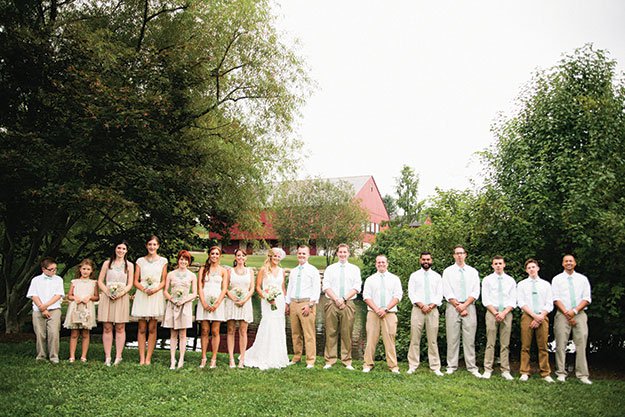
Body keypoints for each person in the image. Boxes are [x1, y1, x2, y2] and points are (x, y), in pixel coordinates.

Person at [245, 247, 290, 369]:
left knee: (278, 325)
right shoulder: (263, 270)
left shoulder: (282, 271)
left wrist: (286, 303)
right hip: (267, 301)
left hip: (279, 301)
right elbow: (258, 287)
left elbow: (283, 288)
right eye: (274, 256)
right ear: (270, 256)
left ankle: (278, 356)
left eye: (278, 256)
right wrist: (266, 296)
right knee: (268, 324)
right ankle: (264, 355)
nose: (276, 258)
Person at [442, 245, 482, 378]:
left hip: (469, 306)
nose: (459, 255)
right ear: (453, 256)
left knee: (469, 338)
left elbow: (476, 291)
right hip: (452, 306)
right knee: (452, 337)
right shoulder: (448, 271)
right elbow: (447, 290)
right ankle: (451, 366)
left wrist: (464, 306)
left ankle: (471, 366)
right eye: (457, 253)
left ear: (466, 255)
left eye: (461, 253)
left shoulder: (472, 272)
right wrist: (458, 305)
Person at [552, 254, 592, 384]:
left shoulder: (582, 279)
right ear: (563, 264)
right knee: (560, 344)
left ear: (575, 263)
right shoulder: (557, 279)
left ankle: (582, 375)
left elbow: (586, 298)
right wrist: (566, 313)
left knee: (581, 344)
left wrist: (574, 311)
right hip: (562, 314)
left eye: (571, 261)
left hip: (579, 314)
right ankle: (561, 373)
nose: (568, 263)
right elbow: (555, 298)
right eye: (566, 261)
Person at [322, 243, 362, 370]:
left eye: (345, 252)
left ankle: (347, 360)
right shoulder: (330, 269)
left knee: (347, 332)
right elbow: (326, 286)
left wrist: (344, 299)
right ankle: (330, 360)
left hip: (348, 303)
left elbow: (357, 287)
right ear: (337, 253)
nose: (343, 254)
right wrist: (336, 299)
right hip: (332, 302)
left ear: (348, 254)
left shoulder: (355, 269)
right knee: (331, 332)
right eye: (340, 252)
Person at [362, 254, 403, 374]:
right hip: (373, 313)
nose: (381, 264)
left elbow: (398, 296)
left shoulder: (394, 279)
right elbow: (366, 296)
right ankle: (368, 364)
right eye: (378, 262)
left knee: (390, 340)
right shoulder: (370, 279)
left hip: (389, 313)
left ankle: (393, 366)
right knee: (371, 339)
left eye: (383, 262)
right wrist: (377, 309)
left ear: (387, 264)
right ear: (375, 264)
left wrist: (385, 309)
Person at [131, 235, 168, 365]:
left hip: (156, 294)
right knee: (141, 327)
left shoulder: (163, 261)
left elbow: (164, 280)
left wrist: (156, 289)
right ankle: (141, 357)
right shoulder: (140, 261)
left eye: (154, 244)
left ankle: (148, 358)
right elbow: (135, 280)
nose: (152, 247)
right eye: (150, 244)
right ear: (146, 246)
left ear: (158, 246)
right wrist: (143, 289)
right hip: (143, 294)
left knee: (152, 327)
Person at [407, 252, 444, 376]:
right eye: (423, 259)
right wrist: (422, 305)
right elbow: (411, 293)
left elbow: (440, 294)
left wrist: (431, 305)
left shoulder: (437, 277)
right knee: (415, 338)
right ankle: (412, 365)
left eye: (428, 259)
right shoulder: (414, 276)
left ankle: (435, 366)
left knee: (432, 339)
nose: (426, 261)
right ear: (420, 260)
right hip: (418, 309)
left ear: (431, 260)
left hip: (432, 310)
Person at [97, 241, 134, 366]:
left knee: (120, 327)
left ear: (126, 251)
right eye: (119, 248)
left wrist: (121, 293)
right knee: (107, 327)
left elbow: (130, 283)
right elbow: (100, 281)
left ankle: (118, 356)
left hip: (121, 297)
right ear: (115, 249)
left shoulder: (129, 265)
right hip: (107, 296)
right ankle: (108, 356)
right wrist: (107, 292)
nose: (121, 250)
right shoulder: (107, 264)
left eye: (123, 248)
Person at [517, 258, 554, 382]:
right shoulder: (522, 284)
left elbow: (549, 303)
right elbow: (521, 302)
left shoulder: (545, 284)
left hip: (542, 315)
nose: (531, 269)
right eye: (529, 268)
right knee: (525, 346)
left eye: (533, 267)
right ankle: (524, 372)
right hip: (528, 315)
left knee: (543, 346)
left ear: (538, 268)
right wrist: (533, 316)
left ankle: (545, 373)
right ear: (526, 270)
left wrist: (540, 317)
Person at [481, 256, 516, 380]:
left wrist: (504, 313)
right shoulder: (487, 280)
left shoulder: (510, 280)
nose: (498, 265)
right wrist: (495, 313)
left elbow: (513, 300)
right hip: (492, 312)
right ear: (492, 266)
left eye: (500, 263)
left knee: (505, 343)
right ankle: (487, 369)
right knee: (490, 342)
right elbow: (485, 299)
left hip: (506, 313)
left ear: (504, 265)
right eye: (495, 263)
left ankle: (505, 370)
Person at [285, 245, 321, 368]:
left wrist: (310, 305)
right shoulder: (294, 271)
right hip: (294, 303)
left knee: (308, 333)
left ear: (308, 255)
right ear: (297, 255)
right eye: (299, 253)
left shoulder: (313, 270)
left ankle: (310, 360)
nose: (301, 256)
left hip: (306, 304)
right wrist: (287, 303)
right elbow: (290, 288)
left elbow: (316, 289)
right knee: (295, 333)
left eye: (304, 254)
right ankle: (296, 357)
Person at [162, 250, 197, 370]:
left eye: (186, 259)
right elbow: (165, 291)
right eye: (181, 259)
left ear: (188, 262)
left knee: (183, 334)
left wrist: (184, 300)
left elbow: (195, 293)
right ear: (178, 260)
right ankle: (172, 359)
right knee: (173, 333)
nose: (183, 261)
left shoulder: (192, 275)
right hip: (173, 305)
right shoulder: (171, 274)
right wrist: (172, 299)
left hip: (185, 305)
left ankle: (181, 358)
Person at [26, 257, 65, 363]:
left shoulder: (58, 280)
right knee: (40, 333)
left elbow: (58, 295)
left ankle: (54, 356)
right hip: (38, 310)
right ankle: (41, 355)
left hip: (54, 309)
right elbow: (33, 295)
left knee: (53, 333)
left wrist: (46, 306)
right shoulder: (36, 280)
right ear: (43, 269)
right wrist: (41, 308)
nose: (54, 271)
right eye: (51, 269)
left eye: (55, 269)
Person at [196, 246, 229, 368]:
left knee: (215, 331)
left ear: (220, 256)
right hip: (204, 301)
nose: (214, 256)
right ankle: (203, 357)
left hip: (217, 302)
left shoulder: (223, 271)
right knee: (204, 330)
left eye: (217, 254)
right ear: (209, 255)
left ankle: (213, 358)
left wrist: (217, 303)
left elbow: (224, 288)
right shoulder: (203, 269)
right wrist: (203, 301)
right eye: (212, 253)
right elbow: (200, 286)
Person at [63, 259, 99, 362]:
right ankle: (72, 356)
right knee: (74, 333)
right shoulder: (75, 282)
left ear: (91, 271)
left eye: (88, 269)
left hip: (87, 308)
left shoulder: (93, 283)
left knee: (85, 333)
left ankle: (83, 356)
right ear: (80, 269)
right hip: (76, 308)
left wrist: (90, 298)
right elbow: (69, 296)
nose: (85, 271)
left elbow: (97, 297)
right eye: (83, 269)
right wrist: (74, 298)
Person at [225, 249, 255, 369]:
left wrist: (244, 299)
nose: (240, 257)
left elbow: (252, 288)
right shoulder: (230, 271)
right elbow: (225, 288)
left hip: (245, 302)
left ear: (246, 258)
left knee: (243, 331)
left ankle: (242, 358)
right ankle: (231, 358)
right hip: (232, 302)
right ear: (235, 257)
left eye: (243, 256)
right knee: (231, 330)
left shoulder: (250, 271)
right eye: (238, 255)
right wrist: (232, 296)